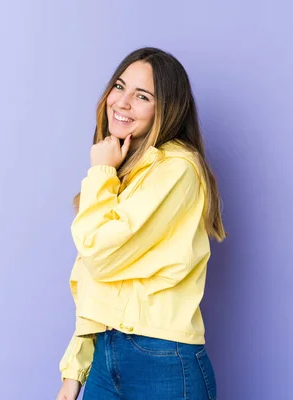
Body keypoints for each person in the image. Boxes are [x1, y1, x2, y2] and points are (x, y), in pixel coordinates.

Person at [55, 47, 226, 400]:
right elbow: (94, 278)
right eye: (119, 86)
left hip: (163, 361)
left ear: (167, 109)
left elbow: (100, 255)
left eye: (142, 95)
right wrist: (73, 374)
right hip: (106, 357)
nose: (122, 102)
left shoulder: (178, 169)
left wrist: (100, 171)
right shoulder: (126, 173)